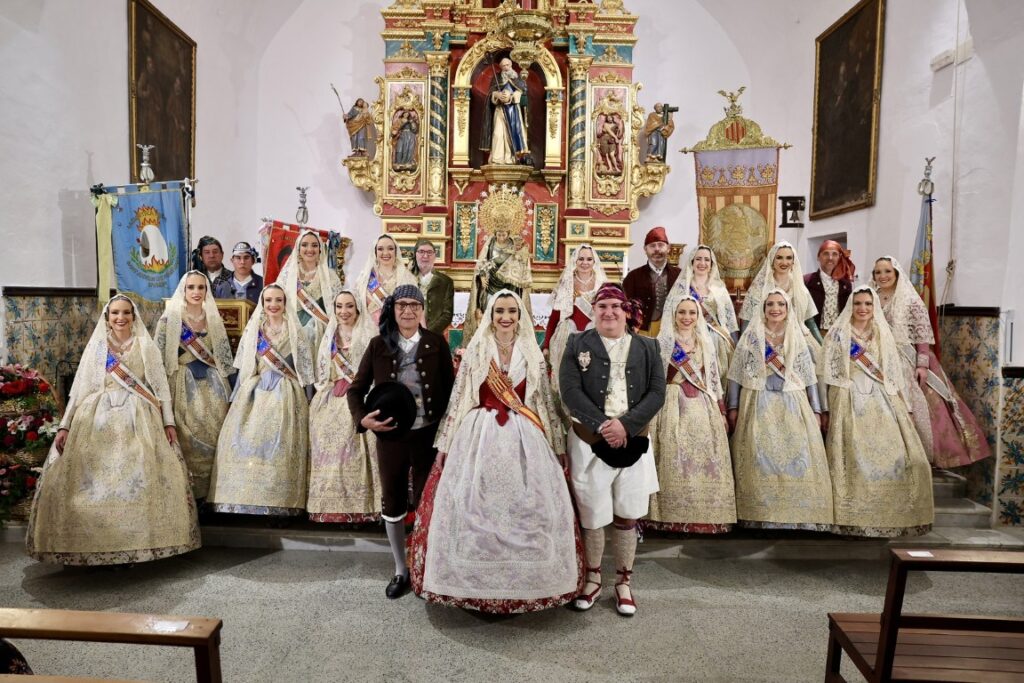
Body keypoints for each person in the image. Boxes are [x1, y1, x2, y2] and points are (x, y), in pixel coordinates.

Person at [409, 290, 580, 612]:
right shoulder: (477, 350)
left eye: (512, 311)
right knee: (471, 505)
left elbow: (542, 399)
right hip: (479, 433)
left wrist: (557, 445)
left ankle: (532, 581)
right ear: (489, 314)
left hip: (524, 434)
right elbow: (461, 397)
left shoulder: (531, 351)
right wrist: (446, 444)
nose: (505, 317)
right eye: (500, 310)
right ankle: (471, 583)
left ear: (520, 316)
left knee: (530, 506)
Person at [27, 295, 199, 565]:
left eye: (126, 313)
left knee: (137, 477)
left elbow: (161, 388)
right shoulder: (97, 347)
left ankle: (137, 546)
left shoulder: (145, 345)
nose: (121, 318)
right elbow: (79, 390)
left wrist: (168, 422)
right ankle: (91, 548)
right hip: (96, 418)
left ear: (134, 316)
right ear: (107, 317)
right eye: (115, 313)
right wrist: (65, 425)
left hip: (139, 418)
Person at [559, 283, 665, 617]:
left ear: (625, 311)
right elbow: (570, 390)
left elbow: (656, 393)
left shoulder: (648, 346)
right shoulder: (577, 343)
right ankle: (592, 580)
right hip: (590, 442)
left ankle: (623, 582)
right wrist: (604, 425)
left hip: (634, 442)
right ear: (594, 310)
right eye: (602, 306)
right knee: (592, 515)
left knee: (627, 515)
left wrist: (626, 425)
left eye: (615, 307)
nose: (609, 312)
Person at [348, 284, 455, 599]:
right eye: (401, 305)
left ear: (422, 310)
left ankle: (426, 566)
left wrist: (448, 436)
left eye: (414, 305)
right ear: (392, 310)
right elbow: (356, 389)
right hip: (391, 436)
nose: (408, 311)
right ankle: (400, 569)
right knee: (392, 499)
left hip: (428, 435)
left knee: (427, 501)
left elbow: (450, 393)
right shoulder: (378, 345)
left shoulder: (437, 344)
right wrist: (362, 418)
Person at [822, 285, 934, 537]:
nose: (863, 309)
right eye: (858, 303)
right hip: (848, 395)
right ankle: (853, 516)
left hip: (881, 396)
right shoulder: (838, 335)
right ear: (850, 306)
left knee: (896, 454)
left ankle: (890, 514)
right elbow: (827, 372)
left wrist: (903, 403)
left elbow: (892, 371)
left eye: (868, 304)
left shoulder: (883, 334)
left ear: (874, 308)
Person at [726, 289, 834, 531]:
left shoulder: (797, 336)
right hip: (757, 399)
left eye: (780, 305)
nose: (775, 309)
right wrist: (733, 406)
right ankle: (761, 513)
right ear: (763, 309)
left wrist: (816, 410)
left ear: (788, 309)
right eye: (770, 304)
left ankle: (797, 513)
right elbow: (735, 374)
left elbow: (808, 377)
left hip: (792, 402)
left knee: (796, 453)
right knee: (760, 454)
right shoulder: (752, 337)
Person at [872, 257, 991, 468]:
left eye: (887, 271)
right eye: (878, 272)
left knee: (918, 408)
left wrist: (922, 364)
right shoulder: (871, 297)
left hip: (908, 360)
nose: (882, 276)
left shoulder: (909, 298)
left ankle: (921, 459)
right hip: (879, 359)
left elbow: (922, 333)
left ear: (896, 273)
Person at [207, 284, 314, 517]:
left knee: (280, 445)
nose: (273, 305)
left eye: (278, 300)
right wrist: (238, 396)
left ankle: (280, 502)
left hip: (287, 391)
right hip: (256, 390)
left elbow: (306, 370)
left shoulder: (297, 331)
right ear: (263, 304)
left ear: (285, 303)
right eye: (268, 301)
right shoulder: (255, 330)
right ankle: (243, 499)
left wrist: (308, 401)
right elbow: (246, 367)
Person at [648, 296, 736, 533]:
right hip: (671, 404)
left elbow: (714, 380)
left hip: (702, 406)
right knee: (673, 455)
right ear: (673, 315)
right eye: (682, 313)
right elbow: (653, 379)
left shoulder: (705, 343)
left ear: (698, 316)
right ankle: (670, 517)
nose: (687, 318)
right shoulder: (663, 342)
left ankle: (705, 517)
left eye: (691, 313)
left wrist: (721, 410)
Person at [153, 271, 234, 500]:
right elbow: (157, 357)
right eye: (191, 288)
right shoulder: (170, 319)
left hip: (213, 385)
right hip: (181, 382)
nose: (196, 292)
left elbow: (223, 358)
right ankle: (188, 494)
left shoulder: (214, 319)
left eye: (201, 288)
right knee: (186, 436)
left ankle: (212, 494)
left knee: (215, 433)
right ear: (184, 290)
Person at [307, 290, 380, 523]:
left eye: (349, 306)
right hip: (332, 396)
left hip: (360, 397)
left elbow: (375, 372)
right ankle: (328, 508)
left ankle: (361, 509)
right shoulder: (330, 336)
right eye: (339, 306)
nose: (344, 311)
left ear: (358, 309)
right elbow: (322, 372)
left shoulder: (369, 335)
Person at [543, 244, 608, 413]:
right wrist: (546, 344)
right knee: (567, 378)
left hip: (594, 337)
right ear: (575, 260)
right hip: (567, 336)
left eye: (588, 259)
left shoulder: (602, 282)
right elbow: (555, 315)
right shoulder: (567, 281)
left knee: (591, 379)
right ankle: (566, 415)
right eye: (581, 259)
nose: (585, 263)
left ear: (594, 261)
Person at [668, 245, 739, 393]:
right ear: (692, 262)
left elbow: (730, 321)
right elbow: (670, 315)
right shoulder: (682, 287)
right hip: (690, 339)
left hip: (717, 341)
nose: (702, 263)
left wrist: (735, 345)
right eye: (698, 259)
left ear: (712, 264)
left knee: (717, 379)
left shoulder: (719, 288)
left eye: (707, 260)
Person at [740, 241, 824, 344]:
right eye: (779, 257)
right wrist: (743, 345)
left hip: (798, 339)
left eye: (788, 258)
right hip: (766, 340)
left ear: (793, 261)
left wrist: (822, 345)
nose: (784, 262)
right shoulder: (759, 288)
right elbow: (747, 320)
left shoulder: (800, 288)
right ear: (772, 259)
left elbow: (810, 321)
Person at [277, 229, 342, 358]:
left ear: (320, 249)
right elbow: (277, 302)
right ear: (298, 248)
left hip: (319, 327)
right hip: (291, 325)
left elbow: (338, 307)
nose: (309, 249)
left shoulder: (331, 276)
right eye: (305, 245)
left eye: (314, 245)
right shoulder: (287, 275)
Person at [465, 227, 532, 342]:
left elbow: (523, 261)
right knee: (489, 316)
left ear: (508, 233)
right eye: (499, 234)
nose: (501, 237)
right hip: (491, 285)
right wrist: (481, 275)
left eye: (504, 234)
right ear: (495, 233)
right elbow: (483, 263)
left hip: (510, 285)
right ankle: (488, 341)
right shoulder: (490, 245)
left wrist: (520, 255)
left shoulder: (515, 244)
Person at [622, 226, 681, 338]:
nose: (657, 249)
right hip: (642, 332)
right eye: (652, 246)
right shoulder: (633, 277)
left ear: (668, 248)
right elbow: (625, 308)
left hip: (673, 331)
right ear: (645, 249)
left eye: (661, 245)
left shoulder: (679, 275)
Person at [352, 233, 417, 325]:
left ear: (396, 251)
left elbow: (414, 308)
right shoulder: (364, 278)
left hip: (398, 331)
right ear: (375, 252)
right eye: (380, 249)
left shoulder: (407, 278)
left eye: (390, 248)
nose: (385, 253)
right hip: (369, 332)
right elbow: (356, 307)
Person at [481, 57, 531, 166]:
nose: (506, 68)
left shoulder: (517, 79)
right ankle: (497, 158)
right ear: (500, 67)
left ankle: (510, 158)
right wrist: (497, 95)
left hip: (513, 111)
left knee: (511, 135)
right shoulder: (497, 78)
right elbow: (491, 93)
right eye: (503, 66)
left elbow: (523, 94)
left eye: (507, 65)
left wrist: (511, 97)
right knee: (498, 134)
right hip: (500, 110)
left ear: (511, 65)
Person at [805, 240, 855, 334]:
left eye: (835, 254)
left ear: (839, 257)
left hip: (839, 334)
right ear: (818, 257)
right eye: (826, 254)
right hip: (815, 333)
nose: (830, 258)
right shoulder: (807, 281)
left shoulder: (846, 284)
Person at [409, 238, 454, 336]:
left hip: (434, 336)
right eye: (421, 252)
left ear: (435, 256)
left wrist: (429, 333)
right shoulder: (406, 278)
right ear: (415, 254)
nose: (425, 256)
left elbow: (447, 314)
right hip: (408, 334)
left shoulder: (445, 282)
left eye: (429, 252)